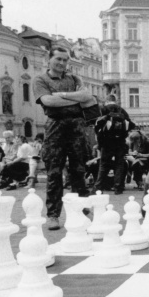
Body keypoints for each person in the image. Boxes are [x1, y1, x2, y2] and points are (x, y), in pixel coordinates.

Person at [33, 46, 97, 230]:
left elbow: (87, 95)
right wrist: (76, 99)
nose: (62, 63)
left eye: (65, 60)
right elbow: (48, 102)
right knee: (54, 172)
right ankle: (53, 215)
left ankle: (83, 209)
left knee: (79, 170)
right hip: (56, 126)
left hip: (77, 127)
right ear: (49, 59)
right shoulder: (40, 79)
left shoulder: (74, 78)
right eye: (58, 59)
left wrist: (62, 95)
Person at [94, 95, 132, 194]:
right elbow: (131, 124)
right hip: (120, 142)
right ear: (116, 100)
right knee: (119, 165)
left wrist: (100, 141)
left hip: (106, 142)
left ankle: (98, 187)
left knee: (103, 165)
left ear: (107, 100)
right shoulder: (121, 110)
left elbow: (97, 125)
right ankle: (118, 188)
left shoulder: (103, 109)